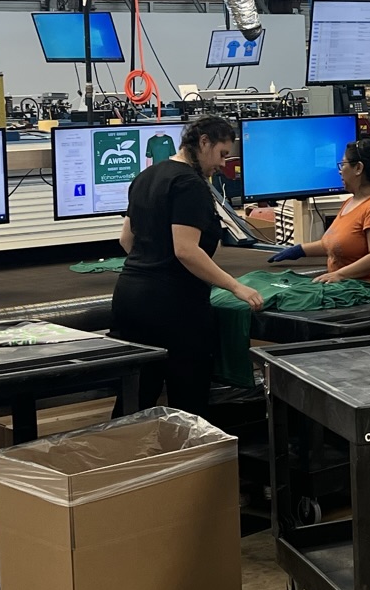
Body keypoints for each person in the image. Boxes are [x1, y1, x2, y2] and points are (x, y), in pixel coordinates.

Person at [110, 114, 263, 415]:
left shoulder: (146, 176)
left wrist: (151, 264)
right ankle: (193, 461)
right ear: (204, 142)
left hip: (130, 298)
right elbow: (186, 251)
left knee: (135, 398)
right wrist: (236, 287)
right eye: (221, 154)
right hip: (173, 307)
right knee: (187, 400)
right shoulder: (190, 184)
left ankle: (122, 458)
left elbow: (126, 239)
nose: (222, 164)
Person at [268, 138, 370, 295]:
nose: (340, 170)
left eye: (343, 164)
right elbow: (336, 243)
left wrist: (339, 274)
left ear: (358, 168)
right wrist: (299, 250)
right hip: (348, 290)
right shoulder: (351, 202)